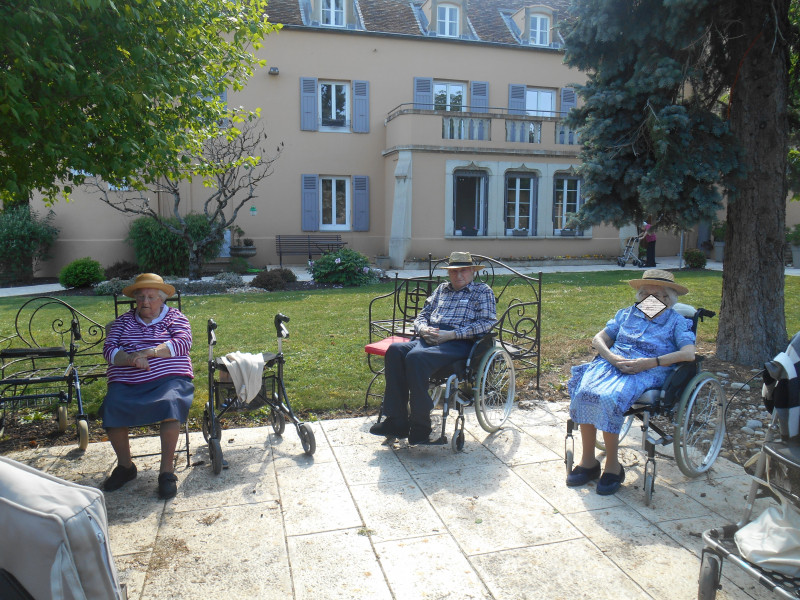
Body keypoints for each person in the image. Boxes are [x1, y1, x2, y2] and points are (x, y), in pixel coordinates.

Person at [566, 269, 695, 495]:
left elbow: (688, 353)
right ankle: (588, 462)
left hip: (648, 370)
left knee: (609, 397)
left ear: (668, 298)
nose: (648, 300)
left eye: (655, 296)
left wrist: (650, 362)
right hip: (613, 363)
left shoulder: (676, 322)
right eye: (644, 294)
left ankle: (613, 468)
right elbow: (599, 339)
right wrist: (613, 358)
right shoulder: (627, 314)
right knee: (584, 391)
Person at [369, 251, 497, 444]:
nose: (458, 275)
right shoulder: (442, 290)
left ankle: (421, 426)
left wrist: (453, 334)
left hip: (459, 341)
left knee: (415, 358)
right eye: (454, 271)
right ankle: (397, 421)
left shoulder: (482, 291)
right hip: (431, 336)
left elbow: (487, 323)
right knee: (395, 351)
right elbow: (422, 315)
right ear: (448, 274)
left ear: (472, 272)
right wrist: (423, 329)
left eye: (463, 271)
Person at [100, 273, 194, 499]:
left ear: (162, 299)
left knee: (171, 404)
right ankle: (126, 467)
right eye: (140, 297)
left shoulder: (175, 318)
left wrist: (149, 352)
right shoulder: (122, 322)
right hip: (127, 380)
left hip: (169, 378)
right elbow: (109, 349)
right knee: (112, 405)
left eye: (151, 297)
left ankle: (166, 472)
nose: (145, 302)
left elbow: (182, 343)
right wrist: (131, 359)